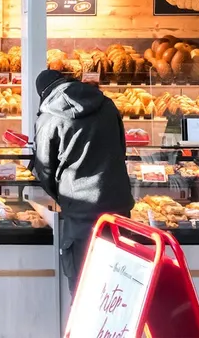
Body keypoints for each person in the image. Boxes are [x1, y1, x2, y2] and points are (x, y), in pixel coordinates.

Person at [33, 69, 134, 294]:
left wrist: (63, 197)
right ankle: (114, 330)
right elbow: (120, 149)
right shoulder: (106, 105)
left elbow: (44, 168)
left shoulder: (49, 117)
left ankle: (85, 330)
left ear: (43, 94)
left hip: (80, 216)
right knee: (118, 289)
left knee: (83, 292)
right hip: (118, 211)